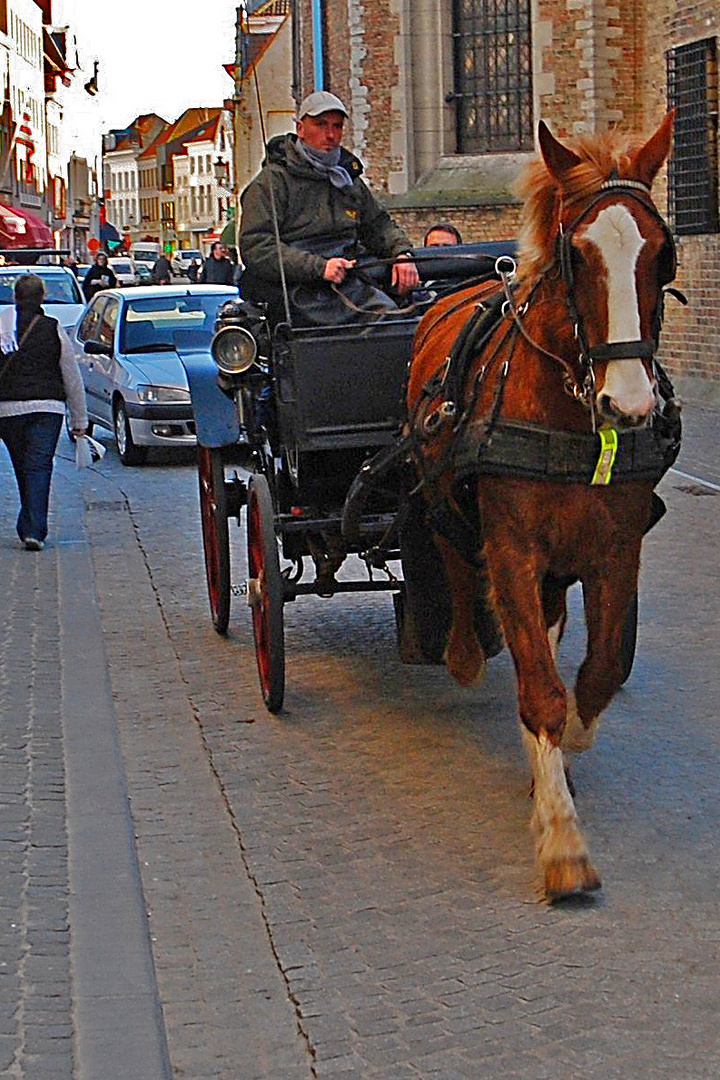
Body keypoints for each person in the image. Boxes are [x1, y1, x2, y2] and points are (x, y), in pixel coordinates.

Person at [239, 90, 419, 325]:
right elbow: (256, 246)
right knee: (378, 322)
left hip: (350, 278)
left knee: (407, 320)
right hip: (298, 291)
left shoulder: (348, 179)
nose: (330, 134)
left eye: (337, 126)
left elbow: (378, 225)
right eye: (321, 124)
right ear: (300, 129)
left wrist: (402, 253)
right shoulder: (271, 183)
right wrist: (319, 267)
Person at [0, 274, 87, 550]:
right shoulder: (52, 328)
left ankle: (29, 523)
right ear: (42, 298)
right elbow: (71, 375)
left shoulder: (2, 328)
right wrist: (79, 419)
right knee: (39, 466)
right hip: (47, 409)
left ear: (15, 297)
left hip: (8, 410)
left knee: (22, 467)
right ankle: (34, 529)